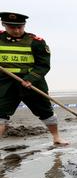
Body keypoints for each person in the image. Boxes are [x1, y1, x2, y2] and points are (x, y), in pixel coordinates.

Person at [0, 12, 68, 145]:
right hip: (5, 84)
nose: (17, 30)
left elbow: (43, 65)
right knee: (0, 115)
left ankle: (56, 137)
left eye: (20, 27)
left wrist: (31, 78)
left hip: (32, 83)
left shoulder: (36, 42)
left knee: (46, 112)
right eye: (12, 27)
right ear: (4, 25)